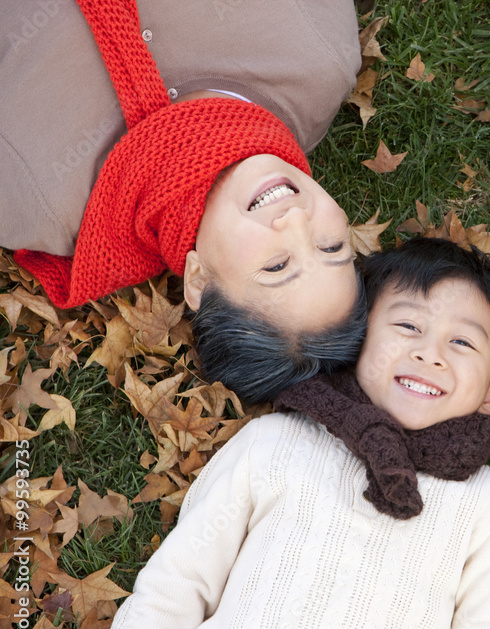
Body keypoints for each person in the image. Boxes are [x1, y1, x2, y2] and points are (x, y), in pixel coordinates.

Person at [96, 238, 490, 629]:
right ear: (358, 341)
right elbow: (175, 586)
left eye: (462, 343)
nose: (429, 353)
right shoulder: (274, 442)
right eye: (408, 326)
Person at [0, 0, 367, 403]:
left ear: (198, 280)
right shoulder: (319, 50)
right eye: (332, 247)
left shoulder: (34, 197)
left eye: (277, 266)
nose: (297, 221)